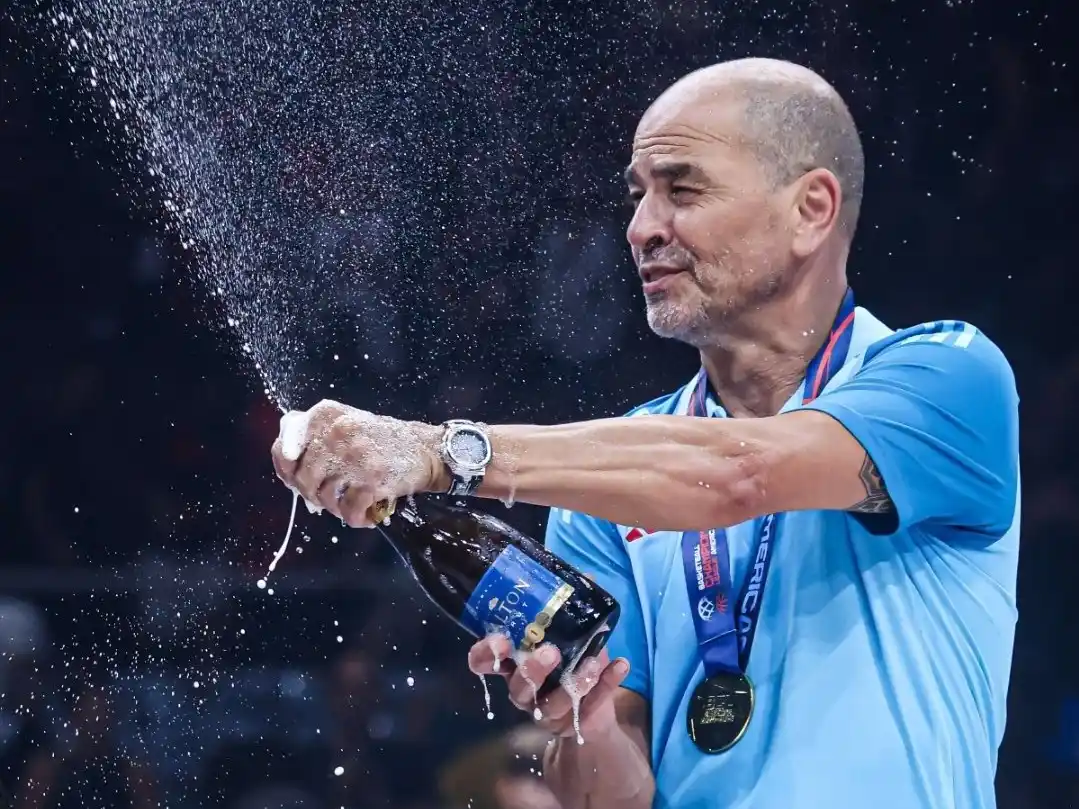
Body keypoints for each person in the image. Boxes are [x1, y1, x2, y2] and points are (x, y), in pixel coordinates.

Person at [271, 57, 1020, 809]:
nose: (640, 229)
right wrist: (586, 719)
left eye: (682, 190)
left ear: (810, 209)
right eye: (637, 196)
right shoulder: (612, 477)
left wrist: (446, 453)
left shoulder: (946, 377)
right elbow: (612, 797)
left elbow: (741, 474)